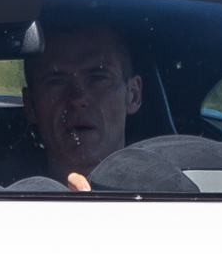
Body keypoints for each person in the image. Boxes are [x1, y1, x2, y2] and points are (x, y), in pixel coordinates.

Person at [22, 24, 141, 186]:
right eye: (56, 81)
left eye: (98, 78)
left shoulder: (176, 198)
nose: (77, 99)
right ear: (30, 104)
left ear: (133, 95)